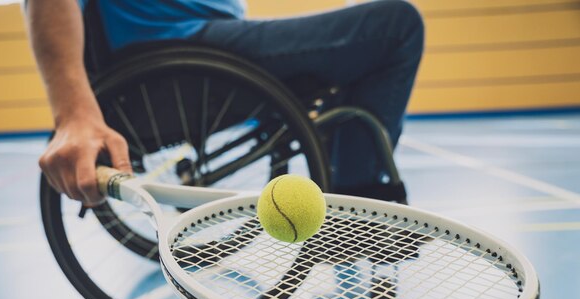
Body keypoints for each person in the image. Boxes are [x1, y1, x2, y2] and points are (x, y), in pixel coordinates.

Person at [27, 0, 424, 206]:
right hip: (185, 51)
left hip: (202, 46)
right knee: (395, 27)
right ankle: (356, 207)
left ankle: (350, 199)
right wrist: (74, 112)